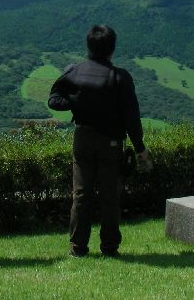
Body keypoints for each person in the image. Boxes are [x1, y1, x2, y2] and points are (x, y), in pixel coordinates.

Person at [48, 24, 149, 257]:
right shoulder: (120, 77)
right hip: (110, 143)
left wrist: (77, 101)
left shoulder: (74, 71)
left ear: (88, 46)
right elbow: (131, 117)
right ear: (112, 48)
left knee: (81, 195)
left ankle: (78, 247)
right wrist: (140, 148)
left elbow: (54, 100)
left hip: (82, 138)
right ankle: (110, 247)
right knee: (109, 196)